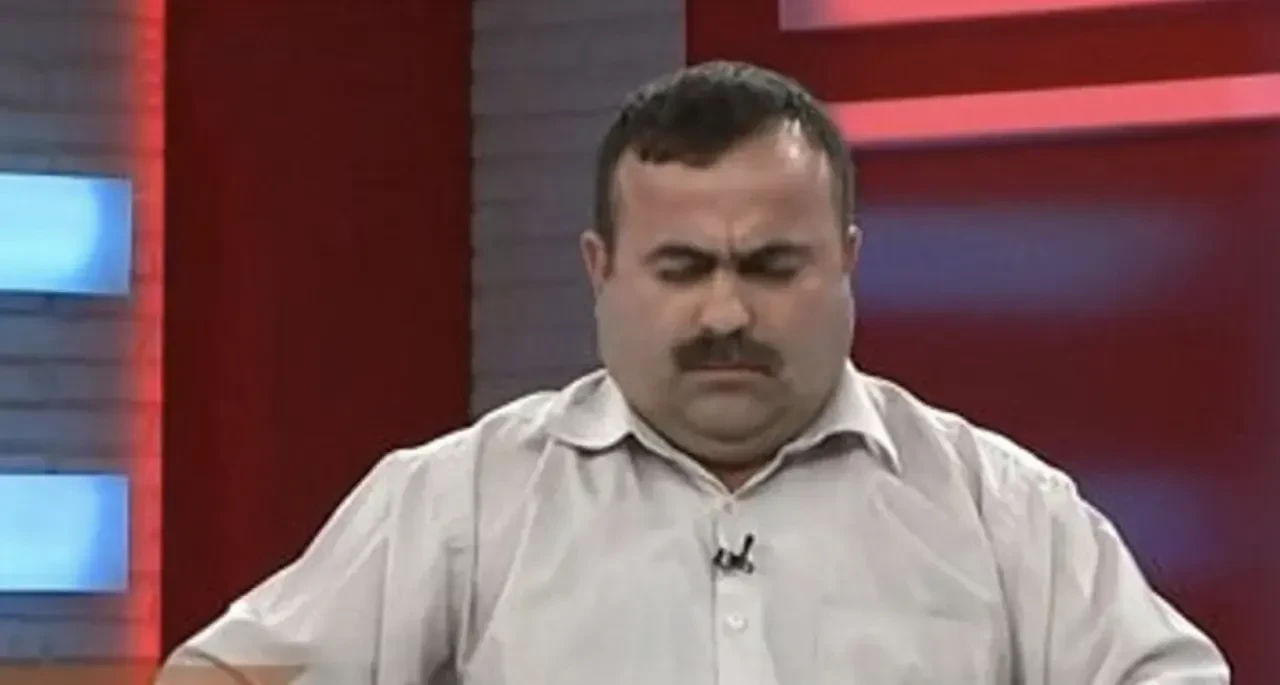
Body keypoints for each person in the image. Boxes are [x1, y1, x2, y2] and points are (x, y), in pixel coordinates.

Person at [159, 60, 1229, 684]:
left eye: (771, 266)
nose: (725, 313)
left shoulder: (1001, 510)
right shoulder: (463, 501)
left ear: (846, 261)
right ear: (600, 269)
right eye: (681, 269)